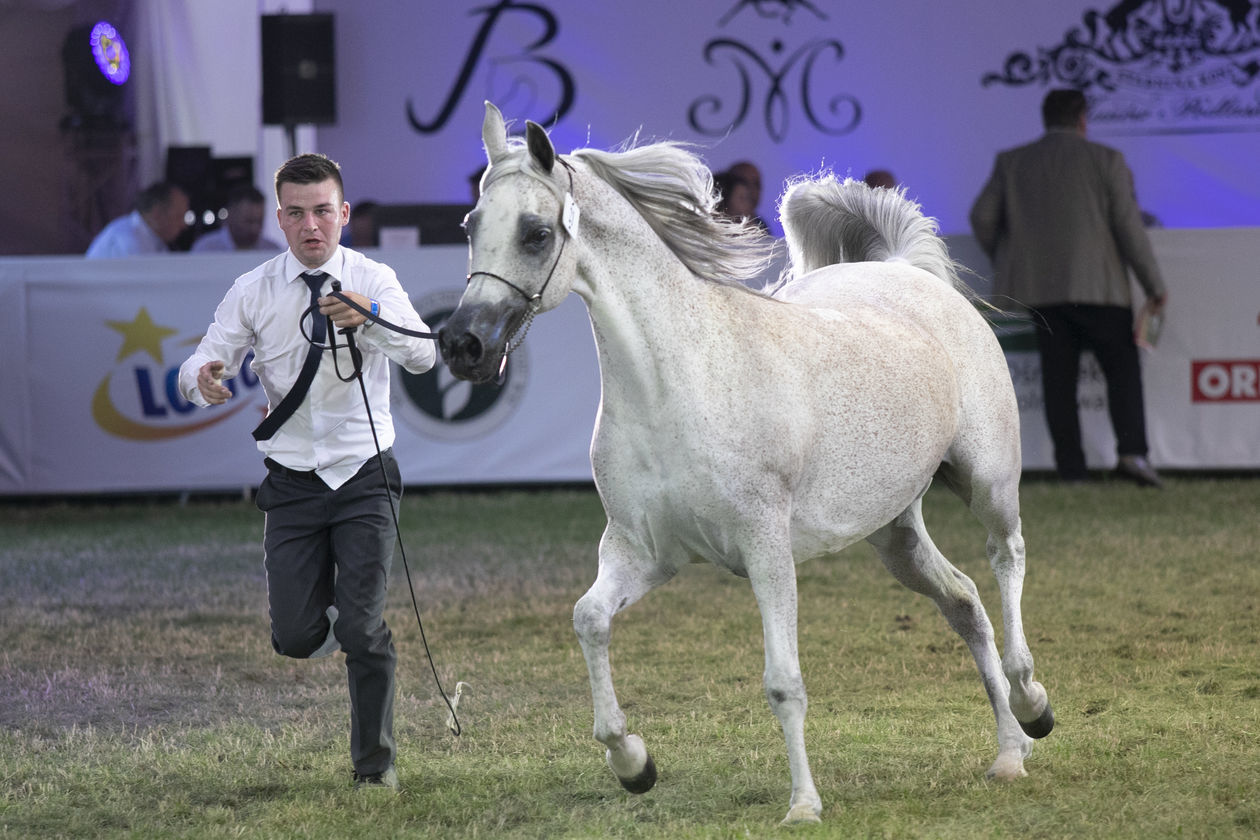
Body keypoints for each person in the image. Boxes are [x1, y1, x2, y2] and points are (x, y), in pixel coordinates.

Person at [177, 153, 437, 790]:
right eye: (296, 213)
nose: (311, 225)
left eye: (323, 211)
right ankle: (331, 611)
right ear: (280, 218)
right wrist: (200, 381)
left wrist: (368, 317)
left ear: (343, 214)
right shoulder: (255, 288)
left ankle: (374, 769)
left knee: (362, 627)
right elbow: (199, 363)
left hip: (364, 474)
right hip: (292, 481)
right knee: (294, 637)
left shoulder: (373, 276)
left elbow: (426, 354)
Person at [969, 88, 1168, 488]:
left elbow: (981, 217)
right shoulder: (1106, 160)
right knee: (1122, 375)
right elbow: (1130, 230)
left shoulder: (1013, 162)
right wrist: (1154, 285)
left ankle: (1071, 471)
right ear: (1082, 119)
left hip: (1043, 292)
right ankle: (1132, 456)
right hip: (1102, 289)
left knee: (1058, 381)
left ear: (1045, 118)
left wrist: (1009, 258)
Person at [85, 181, 190, 258]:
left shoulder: (157, 242)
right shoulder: (126, 240)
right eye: (178, 216)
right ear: (157, 214)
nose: (183, 225)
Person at [191, 185, 283, 253]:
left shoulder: (271, 251)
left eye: (259, 222)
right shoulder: (206, 249)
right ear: (231, 216)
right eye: (248, 221)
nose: (254, 228)